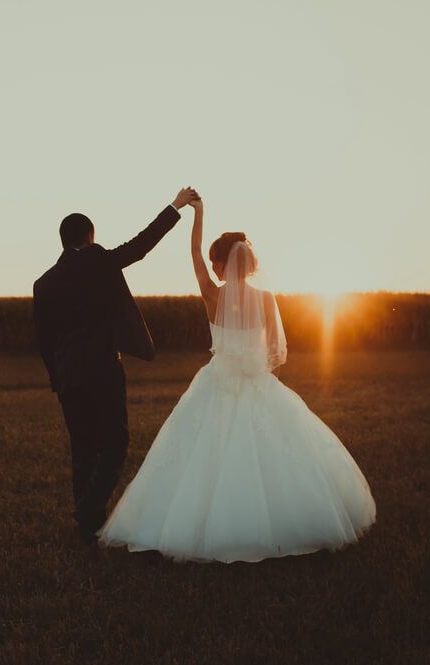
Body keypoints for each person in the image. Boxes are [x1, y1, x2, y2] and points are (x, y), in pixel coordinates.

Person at [97, 195, 376, 562]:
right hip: (257, 382)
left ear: (224, 262)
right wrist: (255, 372)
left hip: (218, 382)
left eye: (216, 260)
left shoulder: (212, 294)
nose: (211, 266)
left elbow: (193, 253)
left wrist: (198, 213)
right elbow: (276, 350)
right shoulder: (265, 299)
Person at [33, 187, 200, 544]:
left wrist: (57, 380)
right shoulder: (100, 260)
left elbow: (44, 340)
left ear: (63, 241)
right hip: (103, 370)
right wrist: (176, 205)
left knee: (83, 449)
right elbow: (142, 245)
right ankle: (89, 508)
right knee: (116, 443)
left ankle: (87, 529)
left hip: (68, 377)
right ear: (90, 236)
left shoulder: (43, 283)